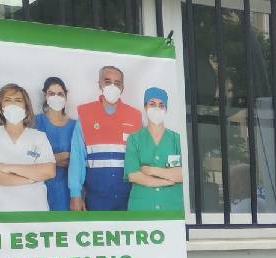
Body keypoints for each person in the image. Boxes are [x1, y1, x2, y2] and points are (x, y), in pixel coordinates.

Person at [0, 84, 55, 212]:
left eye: (18, 100)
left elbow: (49, 171)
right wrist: (29, 179)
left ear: (26, 107)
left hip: (35, 210)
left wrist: (7, 167)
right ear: (1, 106)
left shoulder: (38, 137)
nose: (13, 105)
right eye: (7, 100)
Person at [74, 65, 141, 210]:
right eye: (107, 81)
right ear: (99, 84)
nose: (112, 86)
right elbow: (77, 160)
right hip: (95, 198)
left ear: (123, 87)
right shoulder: (86, 114)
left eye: (117, 83)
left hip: (129, 197)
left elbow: (142, 158)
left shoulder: (135, 116)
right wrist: (75, 194)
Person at [124, 87, 183, 211]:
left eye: (161, 105)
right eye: (152, 104)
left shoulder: (177, 140)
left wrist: (150, 170)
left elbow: (183, 175)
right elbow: (134, 176)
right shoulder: (134, 139)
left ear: (166, 109)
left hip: (172, 206)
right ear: (145, 107)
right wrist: (167, 180)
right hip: (142, 206)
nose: (157, 108)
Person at [33, 77, 85, 211]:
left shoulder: (75, 126)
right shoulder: (35, 123)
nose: (56, 97)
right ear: (45, 96)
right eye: (51, 93)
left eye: (60, 94)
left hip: (68, 191)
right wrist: (58, 157)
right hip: (39, 187)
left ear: (66, 97)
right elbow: (28, 157)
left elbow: (81, 160)